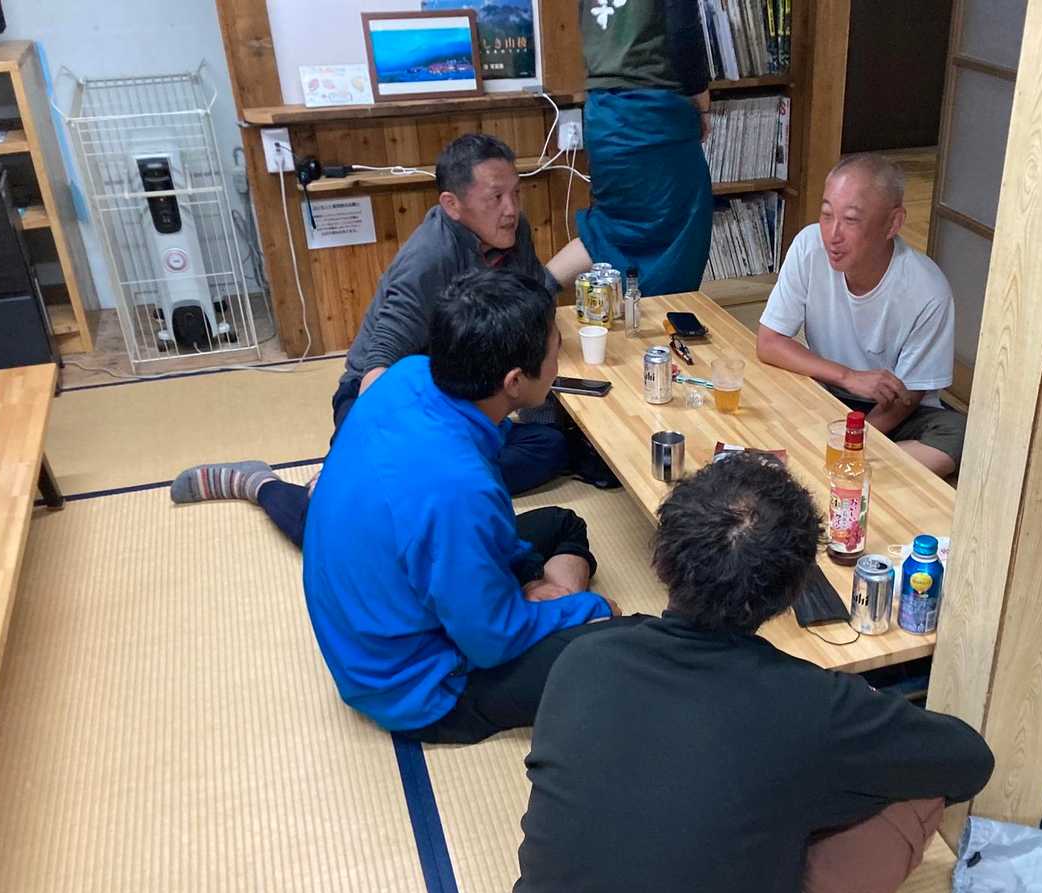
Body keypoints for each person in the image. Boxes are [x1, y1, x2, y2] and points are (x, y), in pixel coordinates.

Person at [513, 454, 995, 893]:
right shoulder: (813, 704)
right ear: (794, 590)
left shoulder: (582, 659)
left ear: (662, 561)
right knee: (912, 790)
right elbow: (967, 762)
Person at [170, 134, 574, 546]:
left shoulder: (513, 232)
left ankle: (414, 485)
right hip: (385, 396)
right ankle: (259, 483)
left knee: (549, 447)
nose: (511, 209)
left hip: (462, 399)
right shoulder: (430, 258)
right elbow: (378, 363)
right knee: (337, 530)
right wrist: (369, 446)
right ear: (452, 205)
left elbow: (529, 308)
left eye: (516, 193)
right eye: (495, 197)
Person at [303, 269, 628, 741]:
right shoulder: (458, 487)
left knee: (562, 523)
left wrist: (535, 594)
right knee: (625, 638)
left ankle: (538, 598)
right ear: (514, 381)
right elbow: (490, 643)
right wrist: (584, 608)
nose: (559, 363)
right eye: (555, 352)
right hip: (419, 685)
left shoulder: (410, 375)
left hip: (381, 612)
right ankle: (546, 607)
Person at [757, 153, 967, 478]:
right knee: (769, 387)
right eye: (827, 214)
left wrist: (852, 443)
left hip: (892, 412)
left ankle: (833, 465)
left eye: (851, 220)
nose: (833, 234)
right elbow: (769, 342)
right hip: (828, 386)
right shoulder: (809, 246)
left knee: (959, 434)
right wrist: (847, 376)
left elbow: (908, 397)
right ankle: (863, 469)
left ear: (893, 223)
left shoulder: (927, 290)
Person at [546, 0, 713, 296]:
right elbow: (682, 27)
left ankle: (530, 293)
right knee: (681, 230)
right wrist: (701, 101)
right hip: (654, 112)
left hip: (603, 113)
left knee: (614, 227)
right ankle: (659, 323)